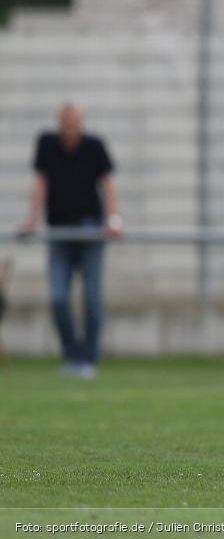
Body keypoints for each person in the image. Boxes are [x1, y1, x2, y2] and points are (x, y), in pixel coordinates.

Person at [18, 103, 122, 379]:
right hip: (59, 232)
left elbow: (108, 184)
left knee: (92, 299)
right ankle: (72, 355)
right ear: (59, 123)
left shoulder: (94, 146)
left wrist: (113, 219)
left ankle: (88, 359)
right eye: (65, 123)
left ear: (81, 123)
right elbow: (41, 183)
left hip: (90, 231)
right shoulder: (47, 144)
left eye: (74, 123)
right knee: (59, 298)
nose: (69, 129)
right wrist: (32, 219)